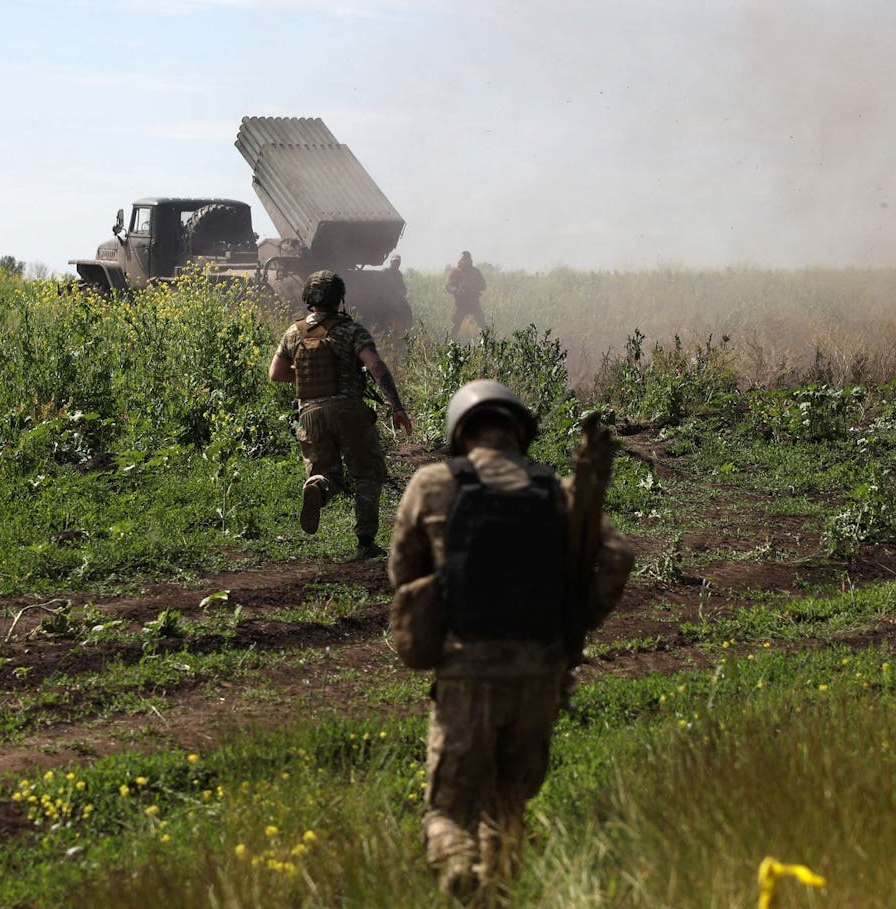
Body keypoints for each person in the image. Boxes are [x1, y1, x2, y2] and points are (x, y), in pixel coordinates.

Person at [388, 380, 634, 904]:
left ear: (460, 433)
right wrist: (579, 615)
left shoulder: (432, 485)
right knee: (507, 807)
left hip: (466, 674)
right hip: (540, 675)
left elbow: (401, 573)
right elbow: (617, 556)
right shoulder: (560, 493)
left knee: (448, 812)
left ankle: (458, 869)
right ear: (520, 432)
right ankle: (496, 893)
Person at [269, 270, 413, 560]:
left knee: (328, 474)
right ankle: (365, 542)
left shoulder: (293, 332)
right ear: (339, 298)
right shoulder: (352, 330)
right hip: (348, 411)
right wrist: (396, 405)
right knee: (368, 473)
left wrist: (312, 373)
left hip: (309, 414)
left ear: (308, 298)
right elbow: (375, 366)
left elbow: (276, 374)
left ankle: (318, 487)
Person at [445, 251, 487, 337]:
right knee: (456, 324)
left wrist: (475, 287)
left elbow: (483, 285)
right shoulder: (456, 272)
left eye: (466, 259)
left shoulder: (475, 272)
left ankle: (485, 342)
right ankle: (450, 342)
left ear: (470, 260)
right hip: (461, 303)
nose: (464, 261)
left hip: (474, 302)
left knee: (481, 322)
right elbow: (448, 286)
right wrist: (456, 290)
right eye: (462, 259)